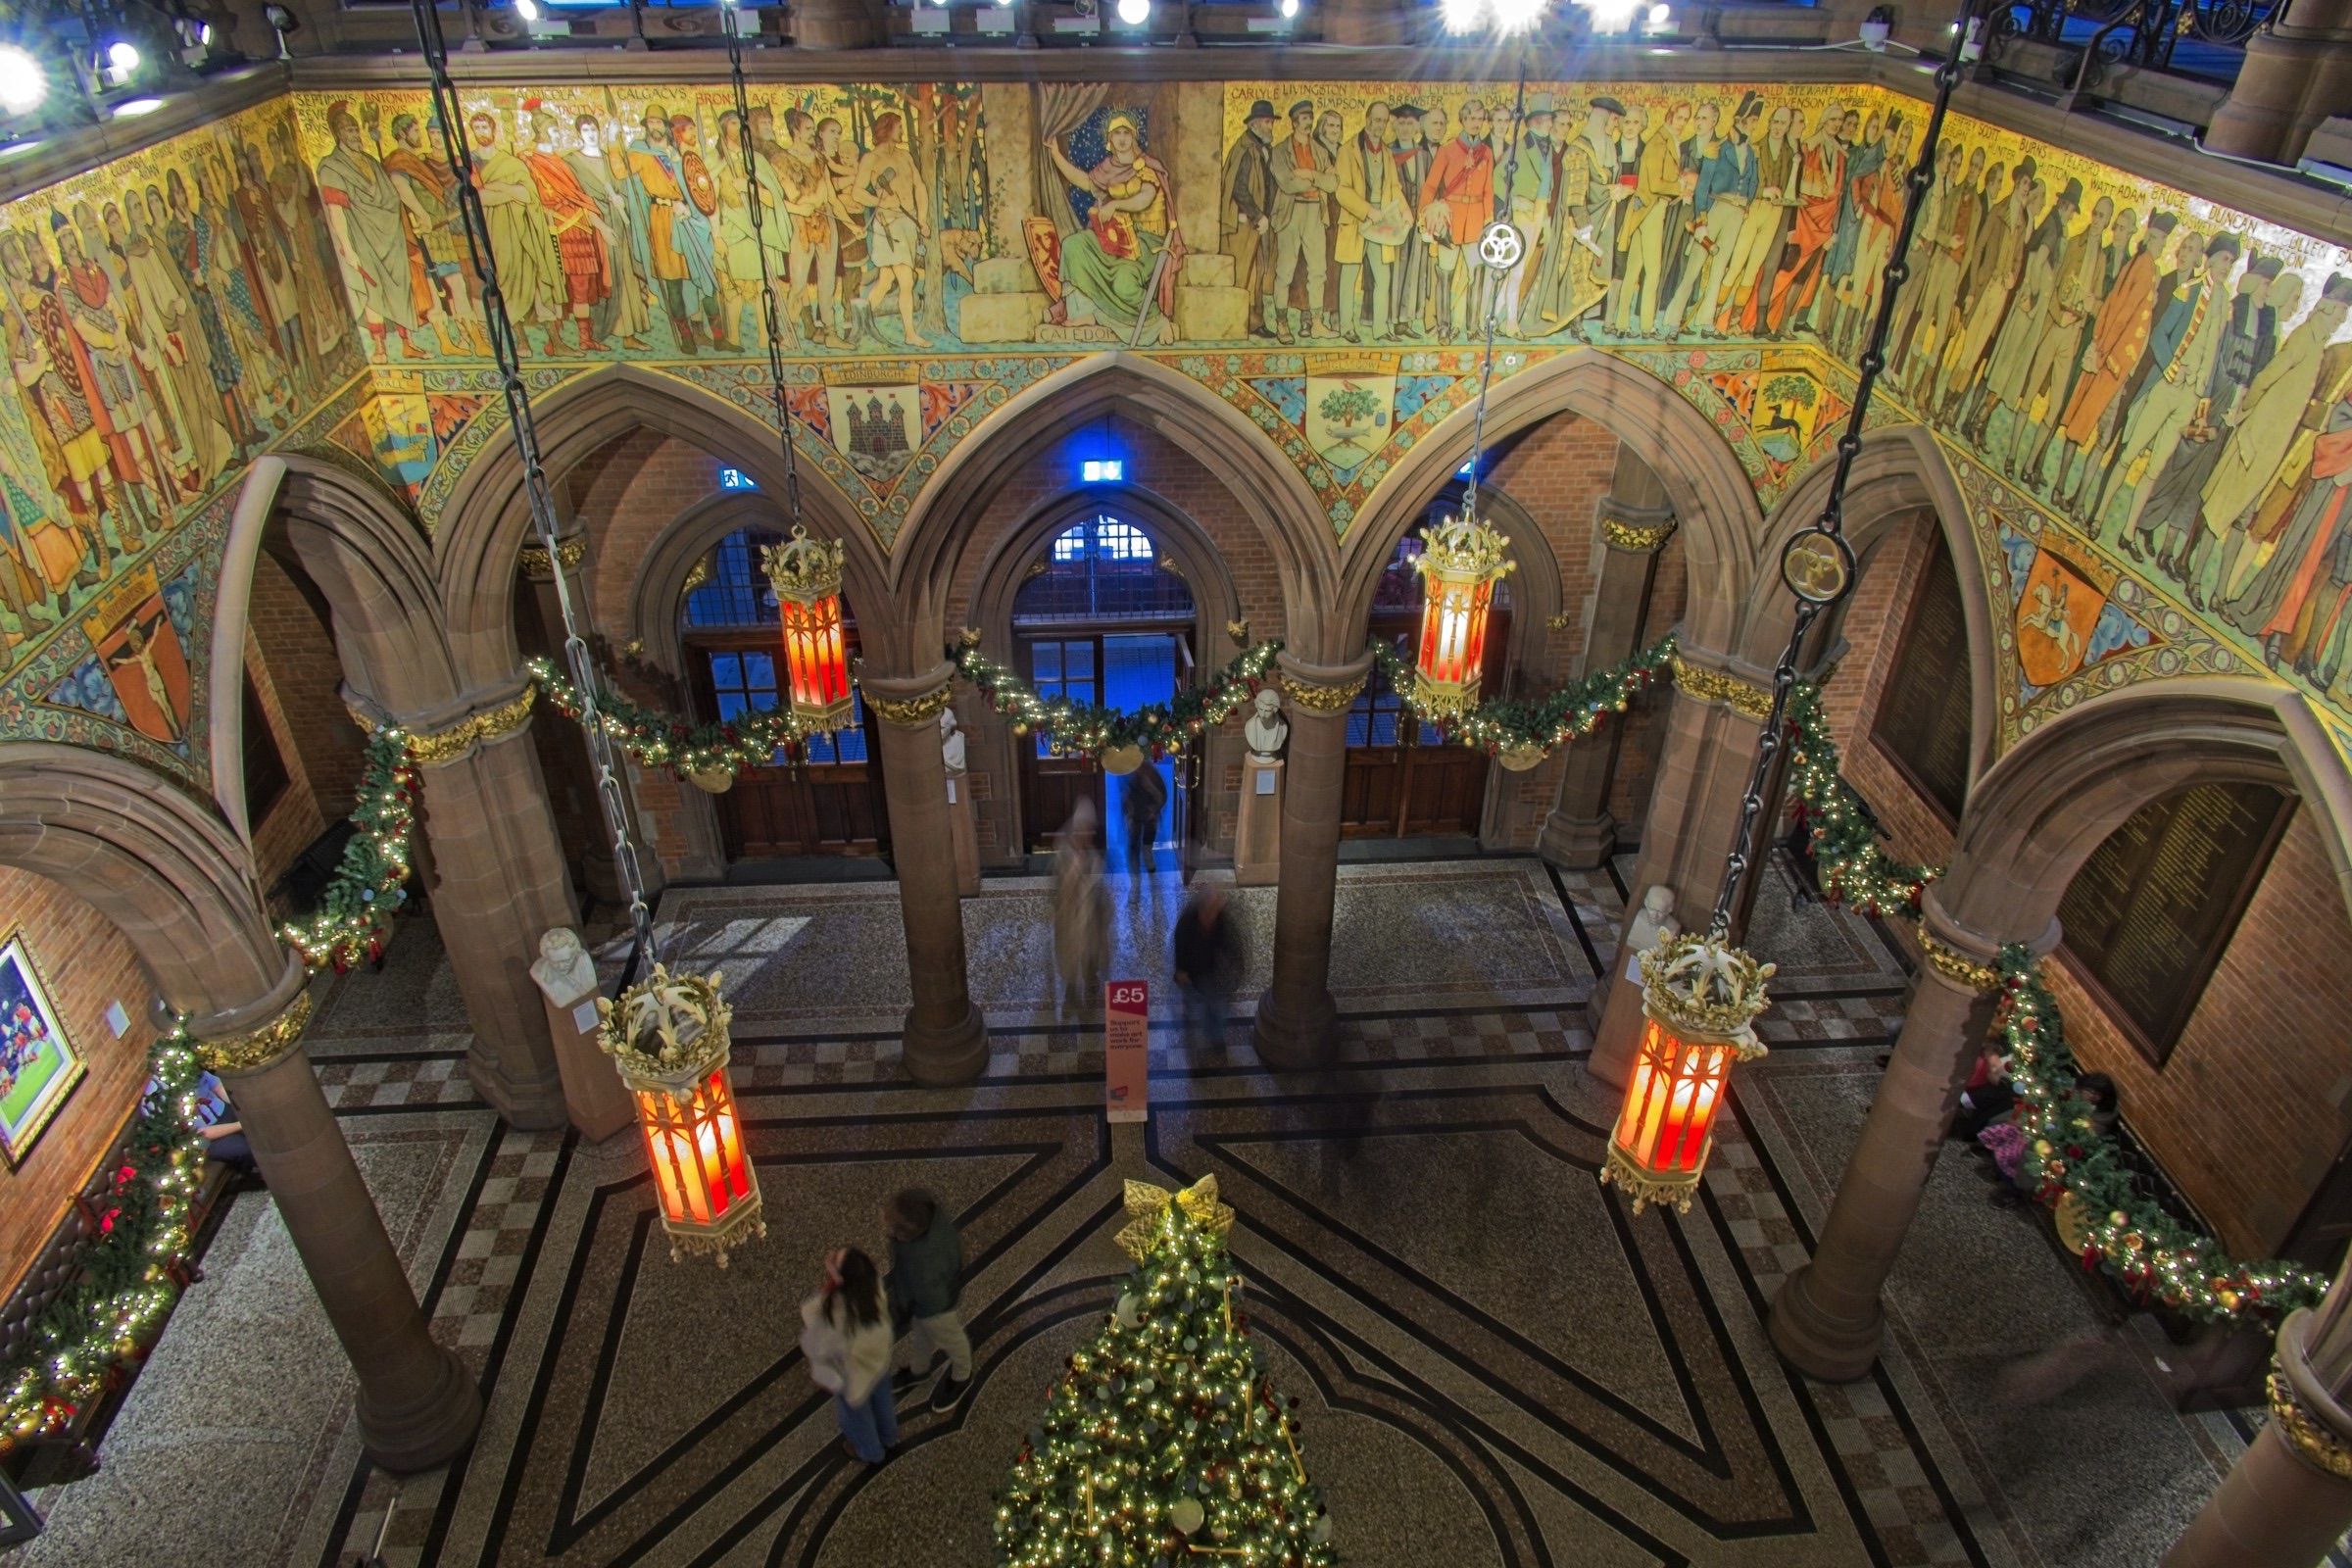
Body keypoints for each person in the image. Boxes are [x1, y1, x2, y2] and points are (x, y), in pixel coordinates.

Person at [800, 1246, 898, 1464]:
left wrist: (828, 1294)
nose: (830, 1256)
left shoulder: (836, 1317)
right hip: (878, 1360)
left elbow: (815, 1346)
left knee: (857, 1418)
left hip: (853, 1375)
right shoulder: (873, 1287)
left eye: (835, 1259)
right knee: (883, 1401)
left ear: (842, 1280)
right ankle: (889, 1437)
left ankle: (871, 1452)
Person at [884, 1189, 972, 1414]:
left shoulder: (922, 1262)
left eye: (893, 1224)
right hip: (930, 1300)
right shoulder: (927, 1214)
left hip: (936, 1309)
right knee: (922, 1334)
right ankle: (919, 1370)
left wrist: (904, 1310)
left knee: (951, 1339)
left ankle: (963, 1375)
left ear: (906, 1234)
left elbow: (928, 1295)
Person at [1053, 798, 1110, 1014]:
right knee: (1069, 958)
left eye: (1089, 829)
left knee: (1090, 957)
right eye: (1082, 829)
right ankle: (1071, 995)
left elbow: (1099, 890)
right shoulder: (1063, 853)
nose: (1085, 834)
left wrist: (1104, 912)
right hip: (1069, 918)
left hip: (1090, 919)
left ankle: (1090, 986)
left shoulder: (1094, 857)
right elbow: (1059, 887)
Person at [1172, 880, 1237, 1057]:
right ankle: (1188, 1012)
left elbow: (1227, 941)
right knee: (1190, 995)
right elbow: (1180, 945)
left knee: (1213, 1002)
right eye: (1213, 907)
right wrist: (1181, 969)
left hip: (1208, 969)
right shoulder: (1188, 921)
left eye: (1218, 906)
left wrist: (1230, 959)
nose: (1215, 911)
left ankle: (1215, 1036)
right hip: (1190, 968)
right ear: (1203, 906)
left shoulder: (1221, 918)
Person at [1119, 762, 1167, 885]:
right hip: (1135, 817)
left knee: (1146, 845)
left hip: (1148, 817)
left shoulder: (1151, 776)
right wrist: (1128, 814)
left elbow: (1161, 796)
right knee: (1134, 846)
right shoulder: (1129, 777)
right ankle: (1135, 877)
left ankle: (1149, 868)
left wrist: (1153, 811)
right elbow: (1126, 798)